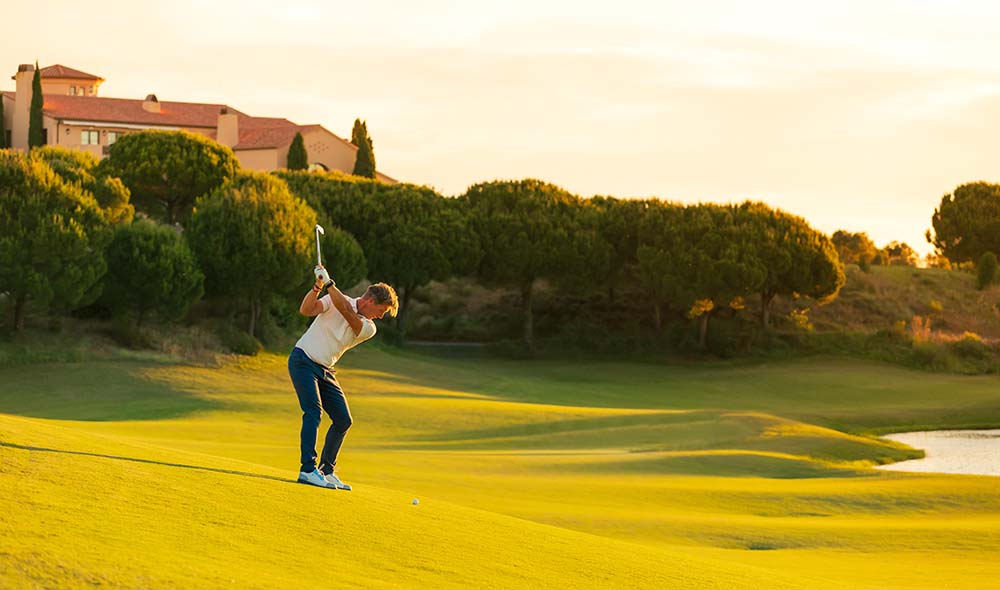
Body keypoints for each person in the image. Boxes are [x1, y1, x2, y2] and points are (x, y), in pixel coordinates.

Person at [288, 267, 398, 490]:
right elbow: (306, 309)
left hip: (326, 369)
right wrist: (318, 286)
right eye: (381, 310)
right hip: (303, 360)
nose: (381, 316)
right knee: (313, 412)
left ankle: (326, 471)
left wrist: (329, 284)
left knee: (343, 419)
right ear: (369, 300)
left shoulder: (369, 327)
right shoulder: (335, 298)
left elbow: (348, 312)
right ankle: (307, 470)